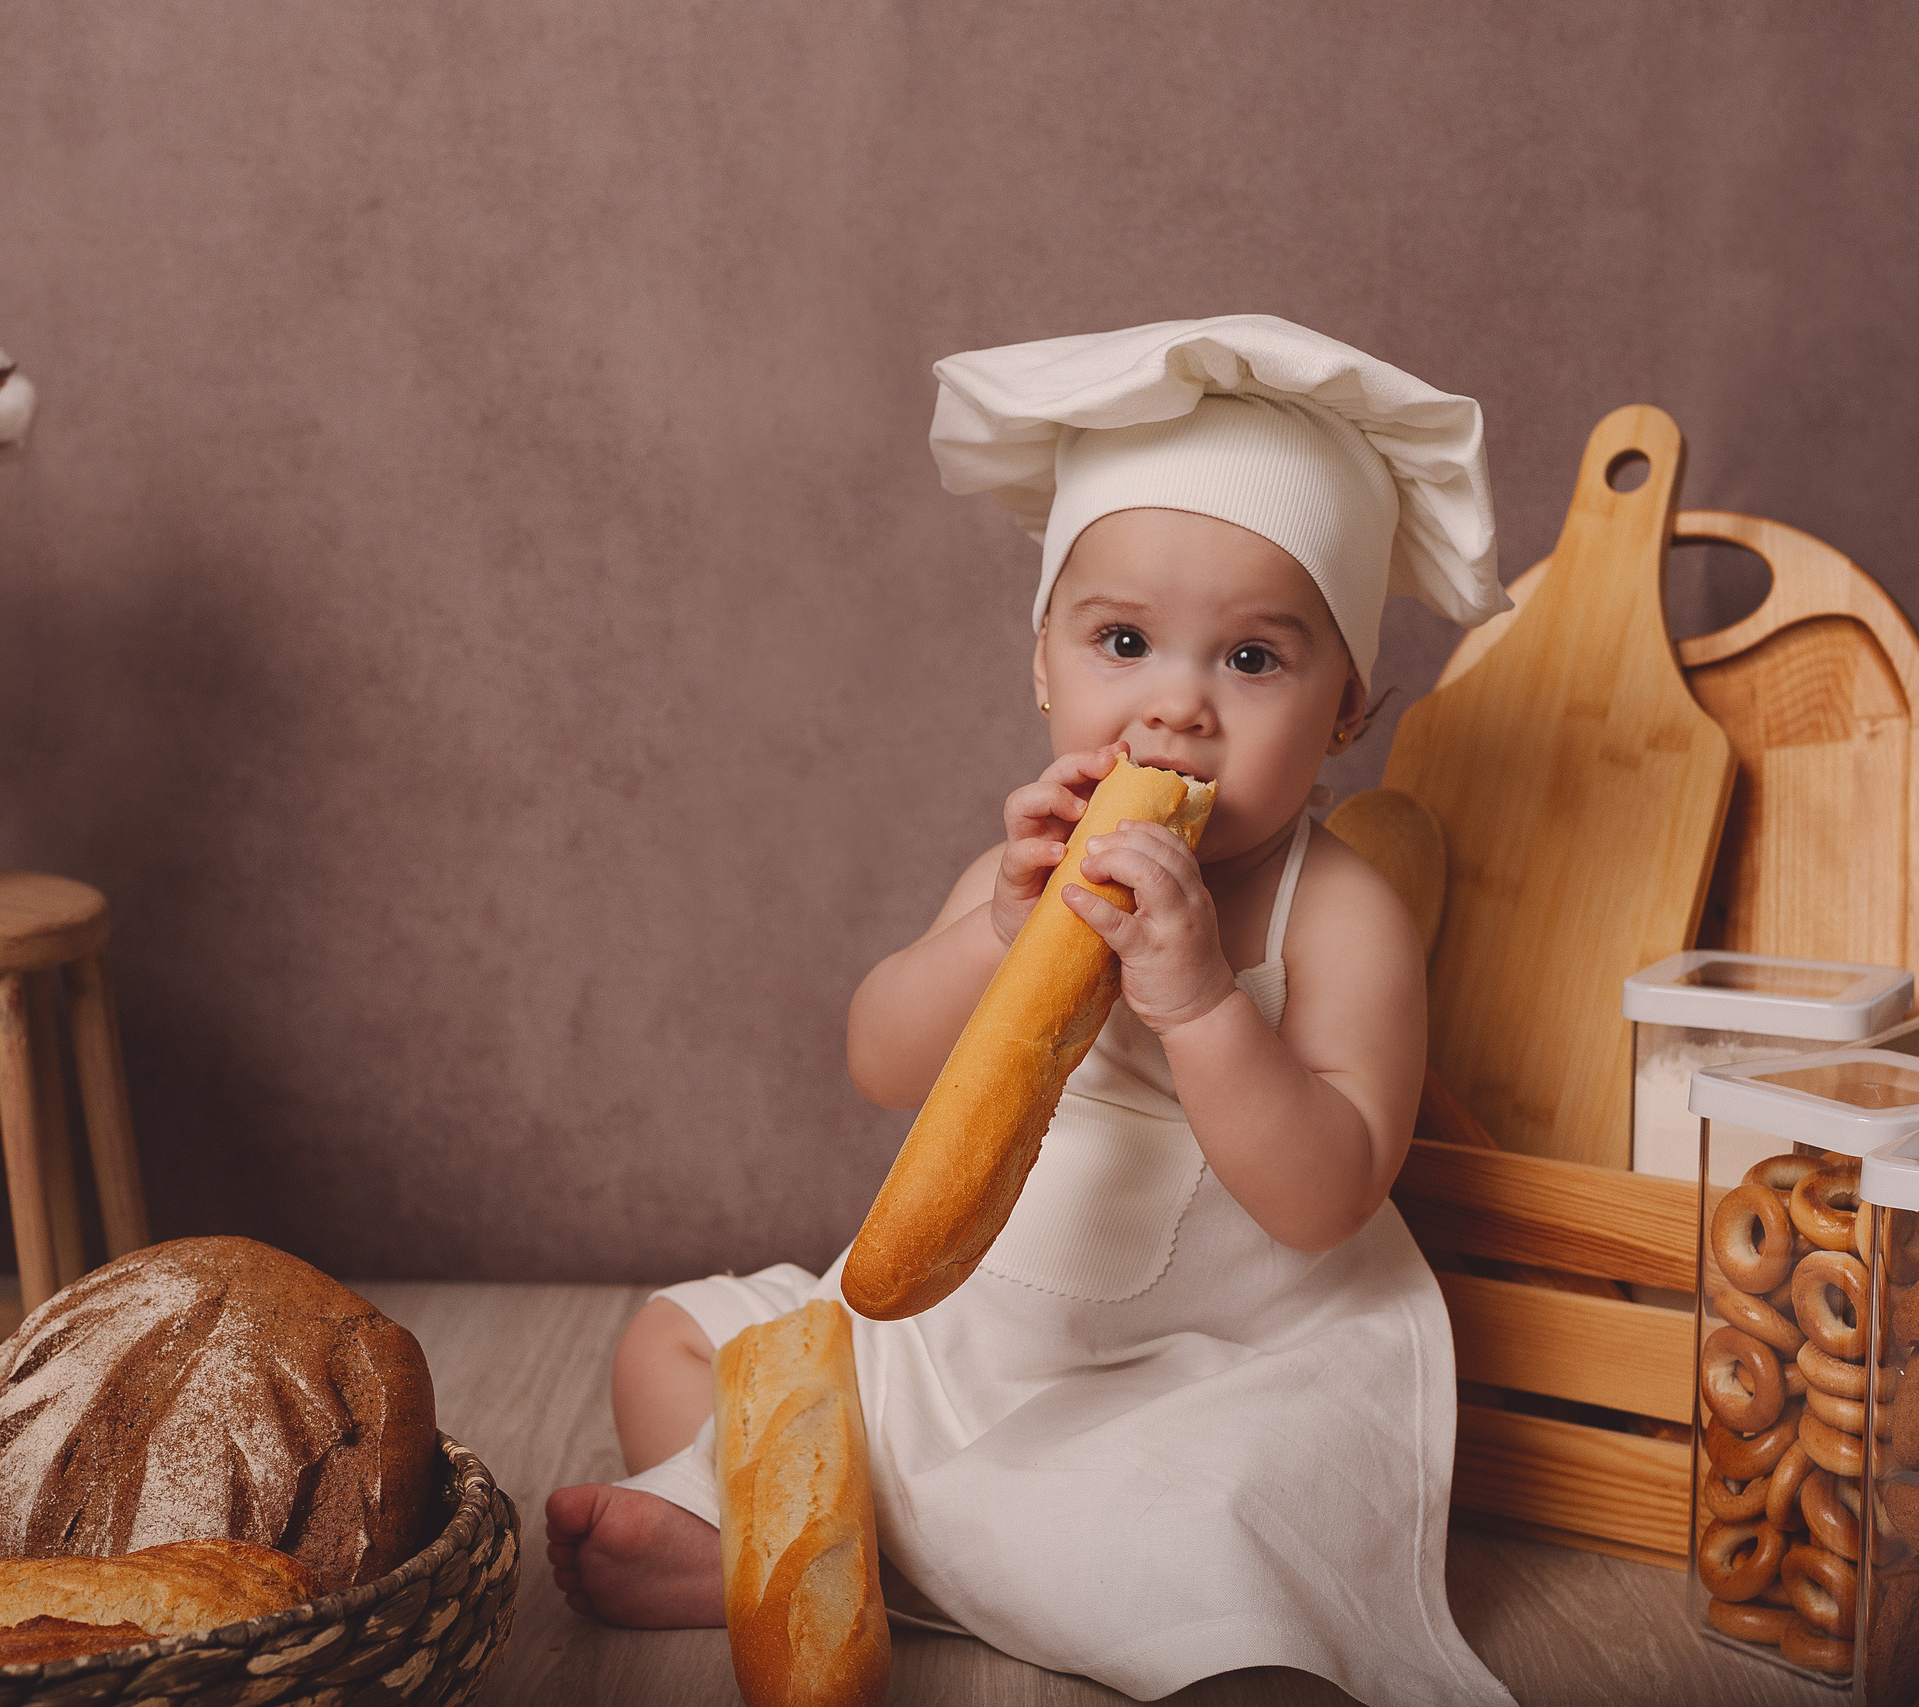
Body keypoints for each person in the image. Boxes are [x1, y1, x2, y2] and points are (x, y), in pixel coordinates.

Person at [547, 316, 1516, 1705]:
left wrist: (1197, 1003)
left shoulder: (1343, 911)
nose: (1176, 709)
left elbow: (1329, 1196)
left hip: (1205, 1369)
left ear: (1347, 709)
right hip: (977, 1336)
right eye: (1125, 641)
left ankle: (868, 1545)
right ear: (1044, 669)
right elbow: (881, 1057)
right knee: (682, 1342)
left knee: (1197, 1515)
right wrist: (997, 932)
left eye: (1253, 660)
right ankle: (795, 1534)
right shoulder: (1024, 869)